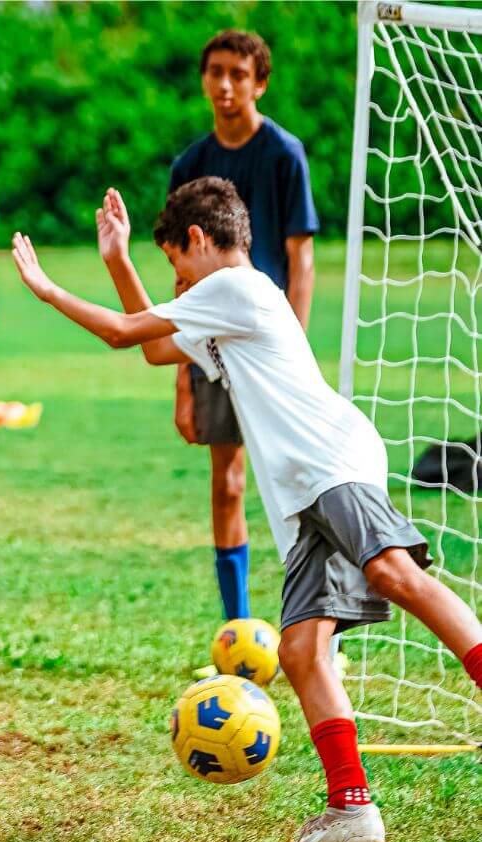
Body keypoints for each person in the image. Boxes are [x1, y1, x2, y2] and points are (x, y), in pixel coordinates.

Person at [10, 178, 482, 842]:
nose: (175, 283)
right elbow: (153, 347)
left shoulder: (237, 289)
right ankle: (352, 807)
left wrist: (48, 288)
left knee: (391, 571)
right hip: (304, 491)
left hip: (331, 461)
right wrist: (118, 260)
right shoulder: (222, 308)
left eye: (174, 266)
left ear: (199, 242)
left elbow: (122, 332)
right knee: (298, 651)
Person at [169, 29, 318, 622]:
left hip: (268, 344)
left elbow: (300, 256)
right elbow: (179, 274)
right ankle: (237, 627)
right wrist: (183, 376)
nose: (226, 84)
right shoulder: (191, 163)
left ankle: (317, 620)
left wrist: (297, 347)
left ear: (259, 82)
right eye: (216, 72)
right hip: (211, 342)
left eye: (239, 73)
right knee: (227, 483)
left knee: (300, 486)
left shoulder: (285, 155)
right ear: (204, 79)